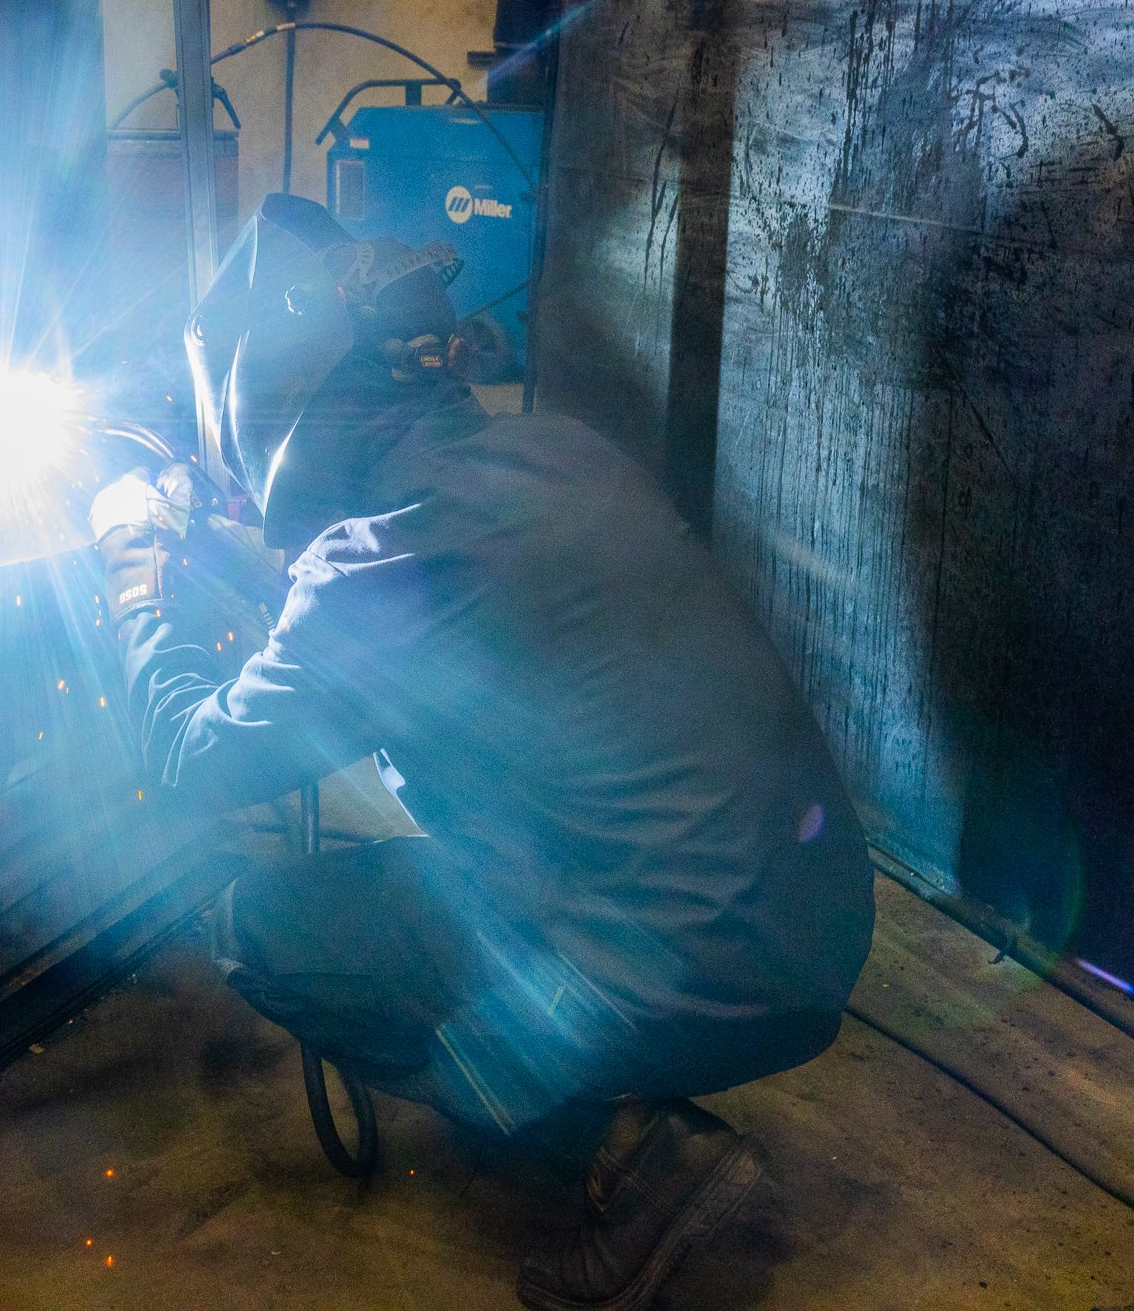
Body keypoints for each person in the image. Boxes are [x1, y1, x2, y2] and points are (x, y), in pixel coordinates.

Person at [90, 193, 875, 1311]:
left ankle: (643, 1160)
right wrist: (238, 552)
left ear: (281, 399)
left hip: (697, 959)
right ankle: (609, 1093)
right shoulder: (557, 452)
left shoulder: (384, 557)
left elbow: (188, 754)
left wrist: (132, 569)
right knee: (458, 825)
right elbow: (393, 606)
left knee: (264, 930)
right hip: (810, 918)